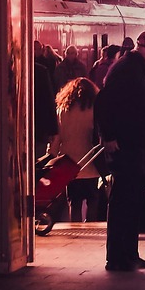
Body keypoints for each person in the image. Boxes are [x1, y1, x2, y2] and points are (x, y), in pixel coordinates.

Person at [94, 31, 145, 271]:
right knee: (124, 199)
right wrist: (109, 135)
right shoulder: (127, 70)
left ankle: (128, 253)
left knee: (131, 198)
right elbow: (104, 102)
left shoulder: (135, 69)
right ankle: (118, 256)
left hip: (133, 143)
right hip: (124, 144)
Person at [48, 77, 104, 223]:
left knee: (74, 202)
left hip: (70, 164)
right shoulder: (95, 109)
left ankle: (76, 227)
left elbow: (56, 137)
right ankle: (91, 225)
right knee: (93, 200)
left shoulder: (62, 110)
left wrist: (51, 157)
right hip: (91, 162)